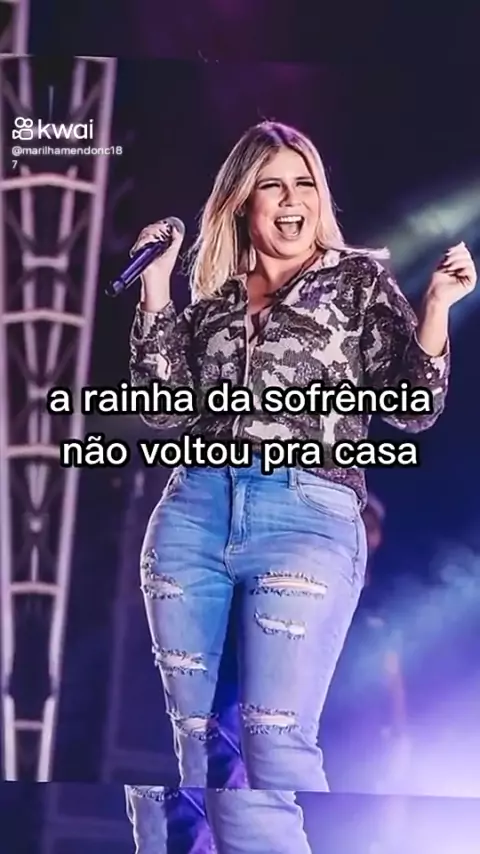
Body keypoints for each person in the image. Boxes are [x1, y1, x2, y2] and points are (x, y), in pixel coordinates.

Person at [124, 121, 476, 854]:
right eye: (273, 186)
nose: (292, 200)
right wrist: (156, 289)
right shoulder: (213, 300)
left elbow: (414, 406)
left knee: (273, 742)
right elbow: (161, 410)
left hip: (304, 510)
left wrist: (438, 307)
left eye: (305, 183)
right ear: (241, 201)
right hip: (193, 510)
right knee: (197, 750)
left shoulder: (357, 282)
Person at [321, 493, 411, 796]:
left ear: (378, 537)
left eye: (369, 526)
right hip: (325, 722)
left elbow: (392, 669)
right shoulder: (320, 588)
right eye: (356, 524)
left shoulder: (383, 600)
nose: (363, 532)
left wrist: (399, 733)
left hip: (367, 728)